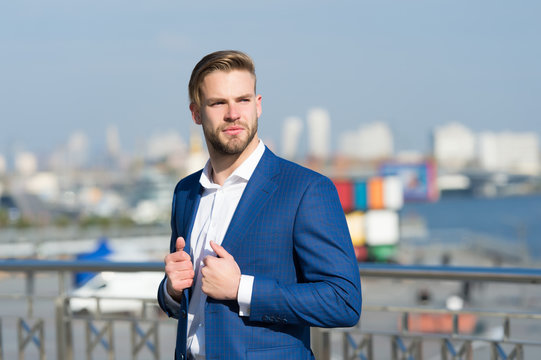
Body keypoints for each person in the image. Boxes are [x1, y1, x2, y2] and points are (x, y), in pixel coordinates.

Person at [157, 50, 362, 360]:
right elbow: (185, 303)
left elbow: (344, 302)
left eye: (243, 100)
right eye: (218, 103)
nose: (233, 113)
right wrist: (172, 290)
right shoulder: (185, 192)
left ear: (258, 104)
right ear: (196, 113)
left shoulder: (306, 189)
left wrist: (242, 288)